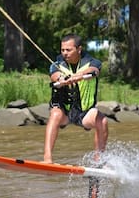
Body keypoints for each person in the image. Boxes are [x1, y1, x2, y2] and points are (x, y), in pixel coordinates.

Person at [43, 34, 108, 163]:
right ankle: (47, 158)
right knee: (55, 113)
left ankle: (98, 161)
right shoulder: (56, 65)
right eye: (63, 50)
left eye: (68, 50)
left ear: (79, 49)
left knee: (103, 121)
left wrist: (78, 76)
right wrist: (62, 79)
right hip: (65, 112)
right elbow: (54, 75)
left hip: (85, 112)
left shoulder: (93, 62)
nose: (65, 53)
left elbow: (93, 70)